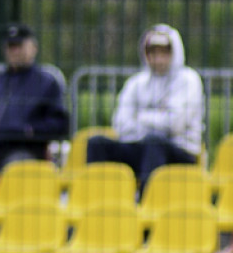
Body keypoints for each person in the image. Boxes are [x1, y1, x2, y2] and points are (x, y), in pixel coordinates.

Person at [87, 23, 203, 189]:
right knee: (97, 143)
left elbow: (175, 125)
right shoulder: (136, 82)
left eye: (164, 52)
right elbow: (121, 124)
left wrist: (140, 117)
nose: (158, 58)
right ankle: (99, 199)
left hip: (179, 152)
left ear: (175, 52)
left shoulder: (189, 80)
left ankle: (146, 203)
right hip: (139, 146)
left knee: (154, 142)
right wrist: (157, 118)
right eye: (153, 52)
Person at [0, 22, 70, 180]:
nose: (14, 51)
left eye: (19, 45)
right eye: (10, 46)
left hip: (22, 150)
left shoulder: (46, 83)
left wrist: (30, 131)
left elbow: (60, 124)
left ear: (33, 48)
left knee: (15, 169)